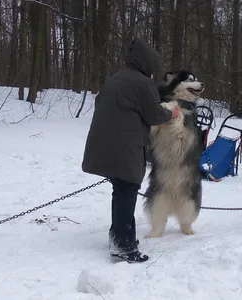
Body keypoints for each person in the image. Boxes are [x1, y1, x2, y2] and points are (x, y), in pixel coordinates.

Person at [81, 38, 179, 263]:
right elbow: (153, 114)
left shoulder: (116, 78)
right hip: (125, 145)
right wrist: (170, 114)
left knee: (122, 188)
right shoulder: (142, 83)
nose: (153, 71)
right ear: (145, 62)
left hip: (106, 143)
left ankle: (119, 236)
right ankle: (123, 246)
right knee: (127, 188)